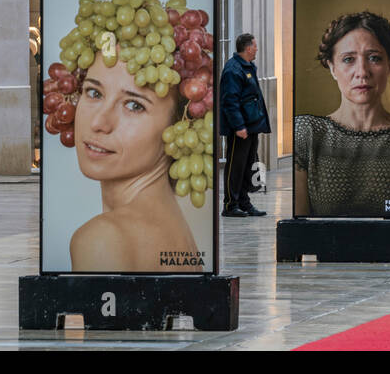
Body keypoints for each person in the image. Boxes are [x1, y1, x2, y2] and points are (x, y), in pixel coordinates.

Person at [68, 52, 201, 272]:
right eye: (94, 92)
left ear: (181, 126)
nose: (99, 123)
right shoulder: (174, 226)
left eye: (134, 106)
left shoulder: (103, 239)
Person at [295, 12, 390, 216]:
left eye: (374, 58)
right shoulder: (307, 132)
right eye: (348, 59)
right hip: (326, 247)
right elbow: (299, 228)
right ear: (332, 68)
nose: (362, 71)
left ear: (389, 64)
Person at [219, 33, 270, 218]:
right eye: (255, 46)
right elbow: (230, 101)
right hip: (240, 129)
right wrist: (239, 126)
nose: (257, 49)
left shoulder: (247, 67)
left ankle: (244, 202)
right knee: (235, 166)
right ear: (248, 48)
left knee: (247, 165)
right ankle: (230, 205)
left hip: (251, 127)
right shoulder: (233, 70)